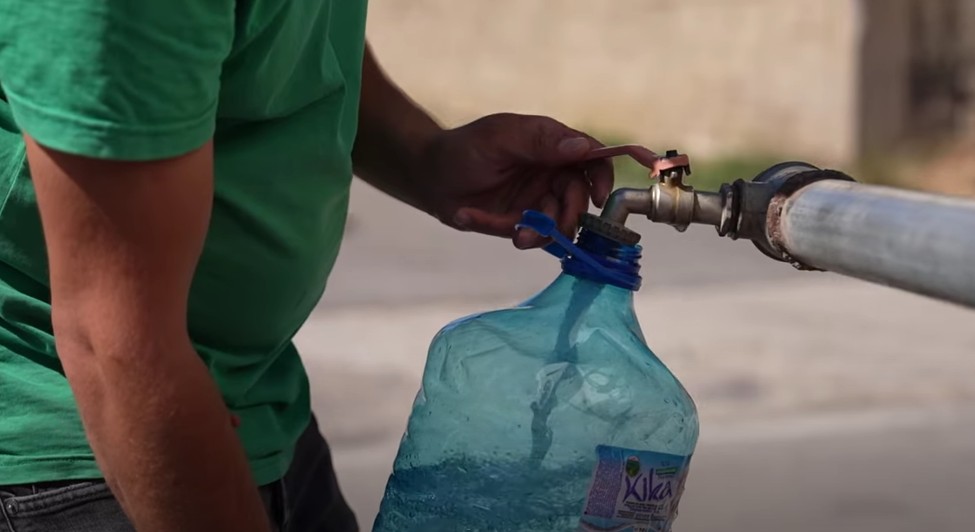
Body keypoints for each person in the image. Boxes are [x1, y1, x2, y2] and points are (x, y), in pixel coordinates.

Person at [0, 1, 614, 531]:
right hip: (86, 451)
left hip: (264, 407)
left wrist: (422, 156)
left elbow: (290, 36)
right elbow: (115, 348)